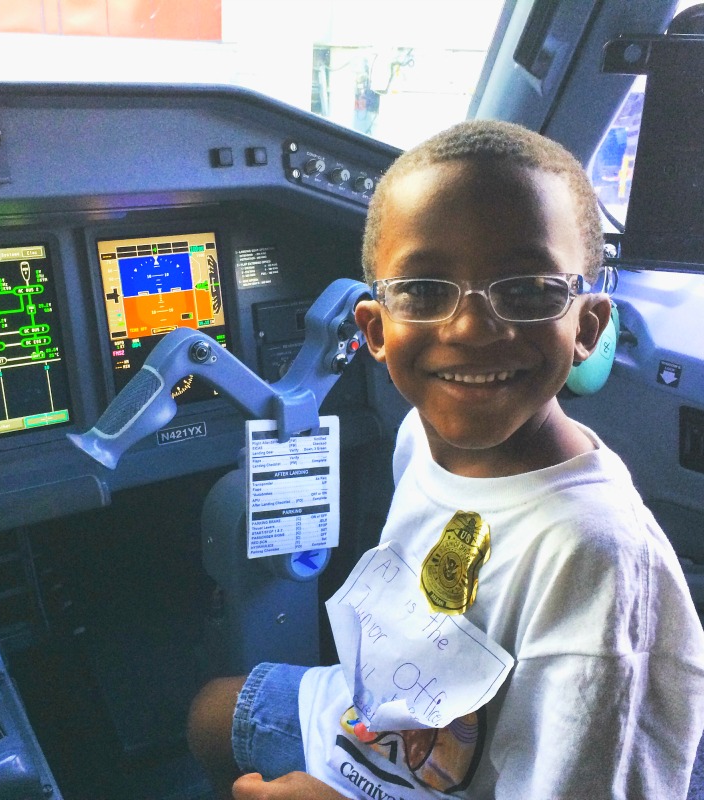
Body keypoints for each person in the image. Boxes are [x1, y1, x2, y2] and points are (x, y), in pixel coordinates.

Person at [187, 119, 704, 799]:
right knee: (209, 716)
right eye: (425, 290)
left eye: (527, 289)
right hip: (397, 717)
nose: (468, 327)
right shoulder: (421, 436)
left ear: (587, 327)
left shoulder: (596, 559)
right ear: (375, 329)